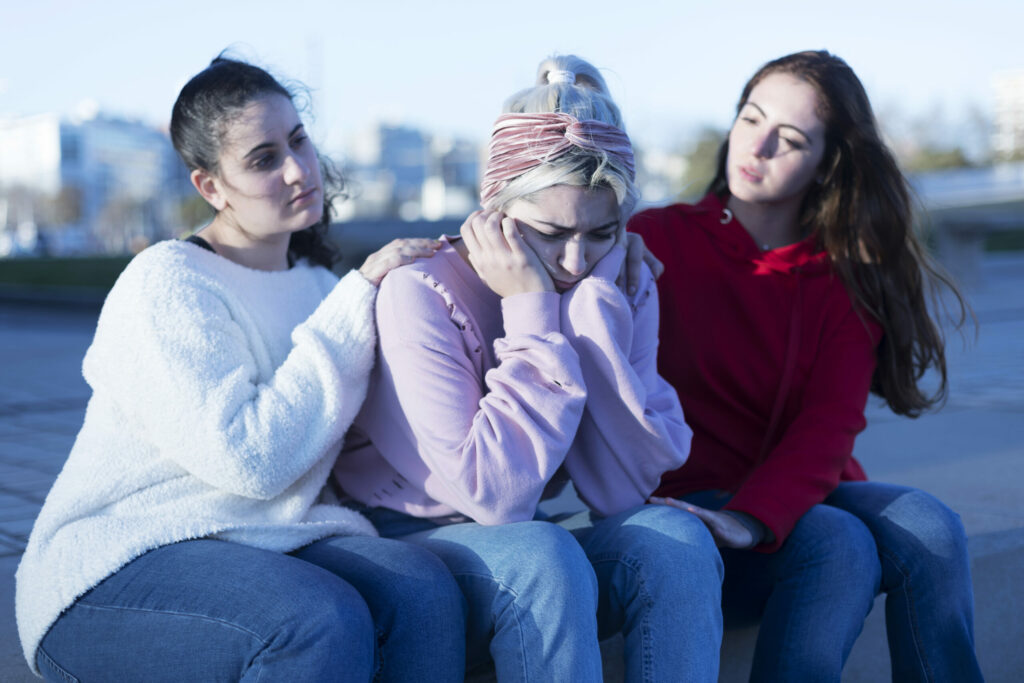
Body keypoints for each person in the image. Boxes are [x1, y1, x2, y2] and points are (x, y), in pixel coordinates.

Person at [15, 56, 465, 683]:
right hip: (120, 561)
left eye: (299, 141)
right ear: (211, 188)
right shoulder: (168, 281)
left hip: (261, 540)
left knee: (421, 588)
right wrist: (355, 297)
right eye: (263, 159)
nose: (297, 169)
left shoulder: (316, 284)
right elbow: (251, 461)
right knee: (317, 617)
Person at [332, 55, 723, 682]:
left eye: (602, 231)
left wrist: (595, 317)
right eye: (549, 230)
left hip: (531, 532)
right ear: (496, 208)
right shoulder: (421, 292)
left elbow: (620, 491)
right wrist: (532, 312)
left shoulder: (617, 278)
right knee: (545, 553)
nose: (574, 257)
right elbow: (494, 496)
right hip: (407, 533)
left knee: (674, 543)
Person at [631, 50, 983, 682]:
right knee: (838, 545)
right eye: (749, 118)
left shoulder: (844, 274)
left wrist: (750, 517)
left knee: (931, 524)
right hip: (686, 497)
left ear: (827, 165)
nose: (757, 145)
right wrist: (408, 262)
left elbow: (828, 428)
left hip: (798, 489)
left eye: (789, 139)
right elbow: (550, 252)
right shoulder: (656, 239)